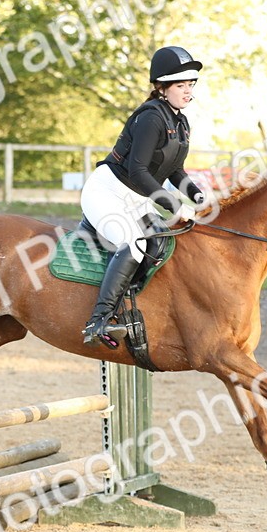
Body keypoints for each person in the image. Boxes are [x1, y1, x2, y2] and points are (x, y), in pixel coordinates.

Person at [79, 46, 208, 347]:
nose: (188, 91)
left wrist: (199, 197)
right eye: (181, 85)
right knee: (134, 245)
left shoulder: (181, 122)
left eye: (190, 85)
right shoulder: (151, 117)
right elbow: (137, 171)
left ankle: (130, 303)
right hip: (106, 192)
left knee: (161, 243)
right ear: (162, 87)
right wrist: (174, 205)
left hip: (135, 200)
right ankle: (98, 322)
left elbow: (175, 171)